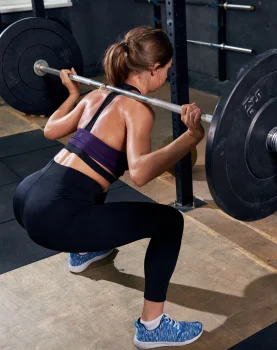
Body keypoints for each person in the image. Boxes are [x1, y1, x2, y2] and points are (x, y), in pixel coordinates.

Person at [13, 26, 205, 348]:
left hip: (27, 195)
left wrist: (73, 93)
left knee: (94, 177)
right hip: (56, 216)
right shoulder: (139, 108)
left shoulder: (96, 95)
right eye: (167, 71)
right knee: (171, 222)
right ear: (154, 70)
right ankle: (152, 326)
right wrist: (191, 137)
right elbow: (141, 172)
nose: (167, 77)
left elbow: (50, 129)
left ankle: (83, 253)